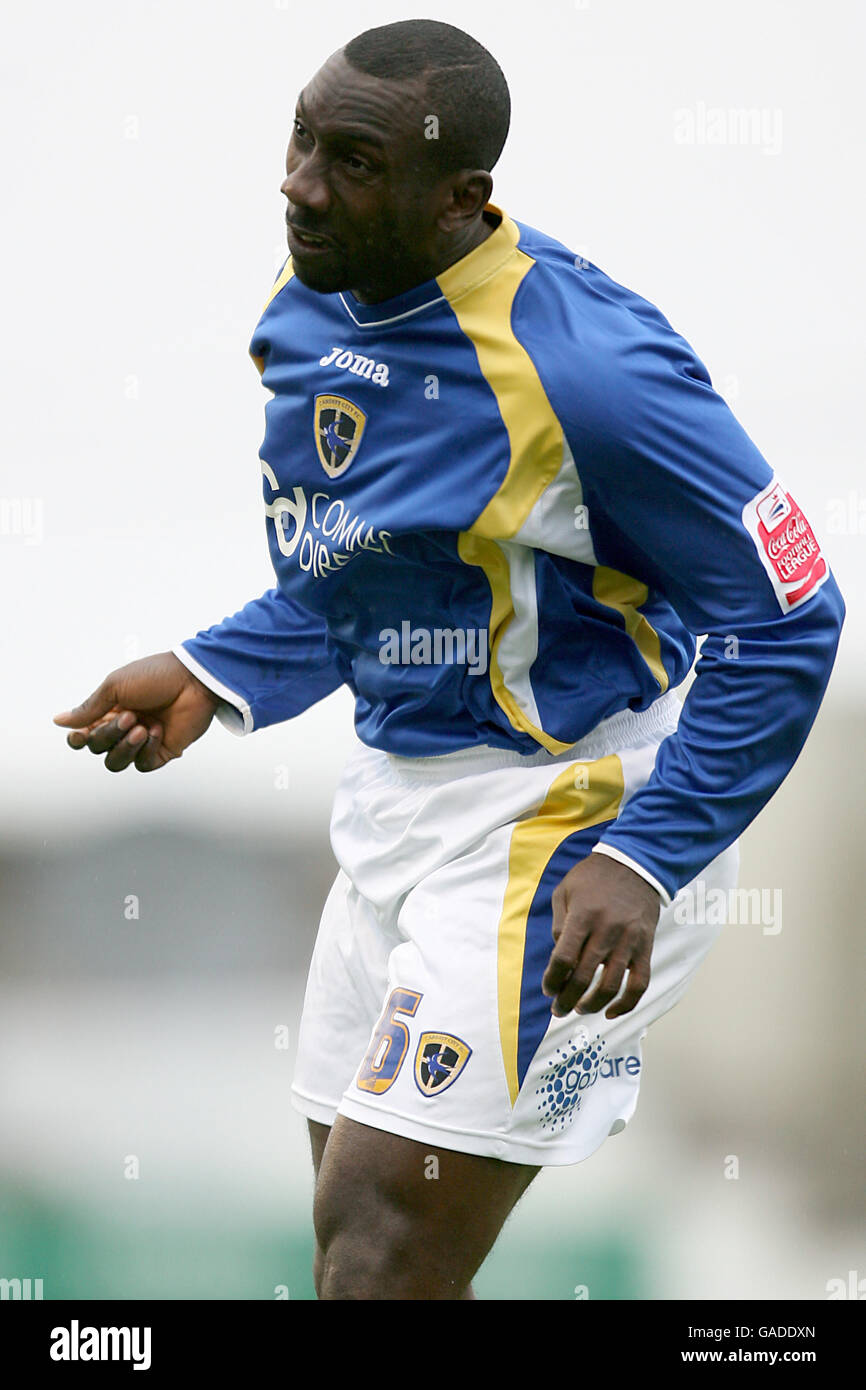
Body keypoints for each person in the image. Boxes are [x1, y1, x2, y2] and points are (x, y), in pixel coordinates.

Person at [54, 19, 845, 1300]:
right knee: (355, 1251)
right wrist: (212, 671)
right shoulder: (308, 300)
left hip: (568, 813)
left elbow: (788, 612)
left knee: (382, 1242)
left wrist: (648, 856)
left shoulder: (591, 371)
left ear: (457, 198)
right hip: (391, 814)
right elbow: (374, 572)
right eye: (301, 139)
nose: (301, 184)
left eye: (353, 161)